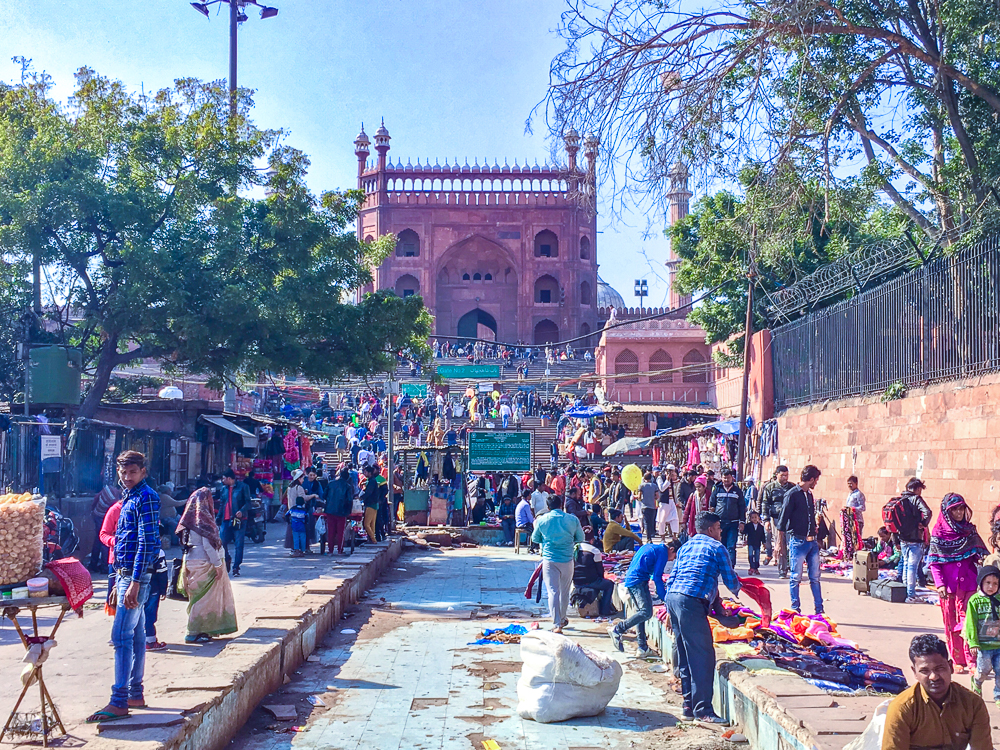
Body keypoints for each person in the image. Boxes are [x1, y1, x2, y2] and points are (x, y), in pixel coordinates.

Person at [87, 451, 160, 724]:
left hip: (134, 577)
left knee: (120, 637)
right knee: (137, 635)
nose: (127, 477)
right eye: (123, 472)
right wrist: (120, 577)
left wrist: (134, 582)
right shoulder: (128, 497)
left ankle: (119, 701)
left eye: (132, 472)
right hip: (124, 574)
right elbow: (120, 538)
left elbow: (146, 543)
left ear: (143, 472)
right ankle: (134, 693)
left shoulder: (146, 497)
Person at [662, 511, 741, 724]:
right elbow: (730, 580)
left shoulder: (686, 546)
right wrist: (744, 589)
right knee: (702, 657)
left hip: (674, 598)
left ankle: (688, 706)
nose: (721, 532)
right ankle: (703, 710)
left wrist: (669, 609)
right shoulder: (717, 547)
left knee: (685, 655)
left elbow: (674, 577)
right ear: (710, 529)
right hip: (691, 601)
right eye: (719, 528)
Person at [881, 633, 991, 750]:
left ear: (950, 667)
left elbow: (982, 747)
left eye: (939, 668)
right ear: (915, 672)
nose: (933, 677)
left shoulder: (973, 704)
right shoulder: (902, 708)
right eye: (924, 671)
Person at [927, 492, 987, 674]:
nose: (959, 513)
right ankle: (957, 660)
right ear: (947, 512)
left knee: (969, 622)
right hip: (949, 589)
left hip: (969, 585)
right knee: (951, 624)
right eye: (955, 510)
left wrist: (981, 559)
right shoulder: (939, 533)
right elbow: (935, 563)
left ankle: (972, 660)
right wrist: (940, 585)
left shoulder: (969, 531)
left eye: (961, 508)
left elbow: (978, 554)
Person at [176, 488, 237, 643]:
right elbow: (208, 546)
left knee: (198, 597)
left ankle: (203, 630)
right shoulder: (203, 521)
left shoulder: (187, 520)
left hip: (191, 562)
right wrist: (218, 565)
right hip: (205, 562)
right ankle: (192, 632)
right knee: (203, 599)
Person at [609, 541, 676, 659]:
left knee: (641, 614)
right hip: (638, 581)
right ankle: (618, 629)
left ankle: (642, 647)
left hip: (632, 579)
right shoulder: (662, 552)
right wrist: (665, 598)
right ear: (671, 549)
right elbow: (657, 577)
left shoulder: (652, 547)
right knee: (646, 612)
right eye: (674, 556)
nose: (672, 559)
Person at [531, 495, 584, 634]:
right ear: (561, 505)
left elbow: (535, 538)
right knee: (565, 592)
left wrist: (546, 539)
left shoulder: (542, 520)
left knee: (553, 592)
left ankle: (556, 624)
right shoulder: (573, 519)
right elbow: (580, 538)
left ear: (548, 507)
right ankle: (563, 618)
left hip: (550, 560)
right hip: (567, 560)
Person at [778, 465, 824, 615]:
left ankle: (819, 610)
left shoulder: (809, 495)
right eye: (816, 480)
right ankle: (795, 609)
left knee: (815, 577)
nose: (816, 483)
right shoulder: (792, 495)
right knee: (796, 577)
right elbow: (782, 521)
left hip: (812, 542)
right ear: (811, 479)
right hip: (798, 541)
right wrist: (779, 543)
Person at [966, 565, 1000, 700]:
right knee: (984, 670)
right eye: (988, 582)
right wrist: (973, 642)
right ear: (981, 582)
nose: (991, 586)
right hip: (983, 646)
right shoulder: (974, 601)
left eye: (995, 583)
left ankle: (998, 695)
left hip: (998, 645)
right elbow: (970, 623)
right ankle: (977, 682)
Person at [897, 477, 934, 603]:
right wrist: (923, 524)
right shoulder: (916, 499)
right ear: (917, 489)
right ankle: (911, 595)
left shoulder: (900, 499)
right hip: (915, 538)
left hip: (903, 538)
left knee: (906, 564)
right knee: (912, 567)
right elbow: (928, 512)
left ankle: (904, 592)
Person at [216, 469, 251, 577]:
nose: (222, 480)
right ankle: (227, 558)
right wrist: (218, 517)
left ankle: (236, 567)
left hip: (239, 520)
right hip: (226, 520)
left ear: (229, 478)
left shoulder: (243, 487)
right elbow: (222, 504)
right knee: (222, 542)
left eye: (224, 478)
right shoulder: (224, 489)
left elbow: (248, 502)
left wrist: (242, 511)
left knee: (239, 544)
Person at [710, 468, 745, 566]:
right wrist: (712, 521)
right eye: (724, 478)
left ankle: (730, 568)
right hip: (719, 524)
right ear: (721, 478)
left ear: (732, 478)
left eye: (728, 478)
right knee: (721, 546)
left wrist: (742, 522)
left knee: (731, 547)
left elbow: (742, 507)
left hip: (733, 523)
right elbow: (712, 505)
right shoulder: (717, 489)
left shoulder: (737, 490)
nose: (726, 480)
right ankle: (721, 567)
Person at [763, 465, 793, 575]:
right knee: (780, 544)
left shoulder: (792, 487)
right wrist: (766, 520)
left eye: (786, 475)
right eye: (782, 475)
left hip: (790, 520)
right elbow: (765, 504)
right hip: (776, 519)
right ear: (777, 475)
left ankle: (792, 566)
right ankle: (782, 570)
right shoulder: (770, 487)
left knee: (791, 544)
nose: (785, 478)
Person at [573, 543, 616, 617]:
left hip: (576, 582)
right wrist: (601, 579)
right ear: (592, 540)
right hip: (591, 581)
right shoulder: (594, 551)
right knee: (609, 585)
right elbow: (600, 570)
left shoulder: (573, 549)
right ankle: (605, 610)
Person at [324, 466, 353, 555]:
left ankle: (330, 550)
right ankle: (340, 550)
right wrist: (349, 511)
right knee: (340, 532)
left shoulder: (331, 484)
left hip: (330, 510)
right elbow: (349, 500)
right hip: (342, 511)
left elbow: (324, 495)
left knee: (331, 531)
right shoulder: (347, 486)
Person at [360, 464, 381, 543]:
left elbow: (368, 492)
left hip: (371, 504)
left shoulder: (371, 481)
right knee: (372, 524)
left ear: (369, 473)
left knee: (366, 524)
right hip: (374, 504)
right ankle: (372, 539)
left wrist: (361, 498)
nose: (364, 474)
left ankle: (373, 539)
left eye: (365, 472)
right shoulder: (372, 480)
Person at [637, 472, 659, 543]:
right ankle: (652, 534)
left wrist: (637, 497)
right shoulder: (654, 486)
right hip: (652, 506)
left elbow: (639, 496)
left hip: (644, 506)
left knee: (646, 522)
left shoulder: (641, 486)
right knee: (651, 522)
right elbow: (657, 496)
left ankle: (648, 538)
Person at [744, 510, 766, 575]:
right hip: (750, 542)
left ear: (758, 518)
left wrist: (764, 543)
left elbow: (763, 535)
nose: (754, 519)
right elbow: (744, 532)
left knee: (757, 555)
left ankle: (756, 568)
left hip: (757, 543)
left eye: (756, 517)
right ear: (750, 519)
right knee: (750, 555)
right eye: (752, 518)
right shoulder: (748, 525)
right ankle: (751, 567)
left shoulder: (761, 527)